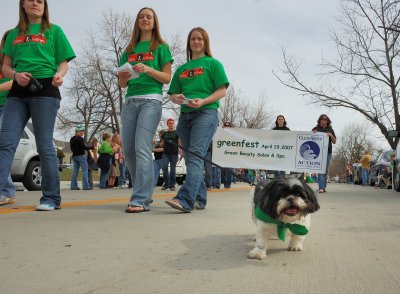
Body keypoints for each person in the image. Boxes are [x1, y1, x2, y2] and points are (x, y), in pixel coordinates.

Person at [0, 0, 75, 211]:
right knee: (5, 142)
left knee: (44, 145)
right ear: (22, 5)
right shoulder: (14, 34)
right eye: (31, 0)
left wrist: (59, 75)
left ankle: (51, 197)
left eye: (40, 1)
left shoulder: (54, 31)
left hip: (46, 88)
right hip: (17, 90)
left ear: (45, 6)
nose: (35, 3)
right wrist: (15, 75)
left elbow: (63, 62)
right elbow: (5, 66)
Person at [165, 27, 229, 212]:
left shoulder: (213, 64)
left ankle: (184, 200)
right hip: (185, 117)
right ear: (189, 43)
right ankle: (200, 199)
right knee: (192, 157)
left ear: (205, 42)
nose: (196, 42)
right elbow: (173, 93)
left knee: (194, 155)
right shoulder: (182, 69)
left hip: (206, 113)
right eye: (193, 39)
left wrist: (203, 101)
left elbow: (222, 90)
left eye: (200, 39)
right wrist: (175, 98)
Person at [118, 7, 173, 213]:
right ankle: (144, 193)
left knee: (142, 147)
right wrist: (123, 78)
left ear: (154, 21)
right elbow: (122, 83)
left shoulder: (161, 47)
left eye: (148, 17)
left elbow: (167, 78)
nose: (145, 19)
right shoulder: (129, 49)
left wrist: (149, 69)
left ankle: (140, 198)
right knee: (129, 151)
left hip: (151, 101)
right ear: (137, 22)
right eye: (141, 16)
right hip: (130, 102)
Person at [0, 30, 16, 206]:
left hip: (10, 105)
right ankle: (9, 189)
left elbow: (15, 81)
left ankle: (6, 191)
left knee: (3, 146)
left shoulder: (16, 60)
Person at [312, 114, 336, 193]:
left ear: (327, 121)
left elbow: (334, 141)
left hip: (327, 152)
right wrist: (313, 133)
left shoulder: (330, 129)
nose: (324, 120)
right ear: (320, 120)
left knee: (325, 170)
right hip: (317, 152)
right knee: (320, 169)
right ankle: (321, 187)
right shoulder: (315, 129)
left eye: (325, 119)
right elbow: (309, 138)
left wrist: (331, 135)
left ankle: (323, 187)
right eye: (322, 119)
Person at [70, 125, 93, 190]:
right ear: (79, 131)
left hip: (74, 156)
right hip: (81, 156)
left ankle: (73, 186)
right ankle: (86, 186)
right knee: (85, 171)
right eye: (82, 131)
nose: (83, 133)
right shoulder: (80, 138)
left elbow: (71, 149)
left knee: (75, 171)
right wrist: (92, 147)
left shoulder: (72, 139)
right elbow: (84, 147)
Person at [160, 118, 181, 191]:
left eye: (172, 123)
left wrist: (181, 151)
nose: (171, 124)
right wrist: (155, 143)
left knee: (173, 170)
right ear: (167, 124)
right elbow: (162, 144)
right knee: (164, 168)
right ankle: (166, 184)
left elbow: (179, 143)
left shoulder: (177, 133)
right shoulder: (164, 134)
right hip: (166, 153)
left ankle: (172, 185)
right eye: (170, 123)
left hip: (174, 154)